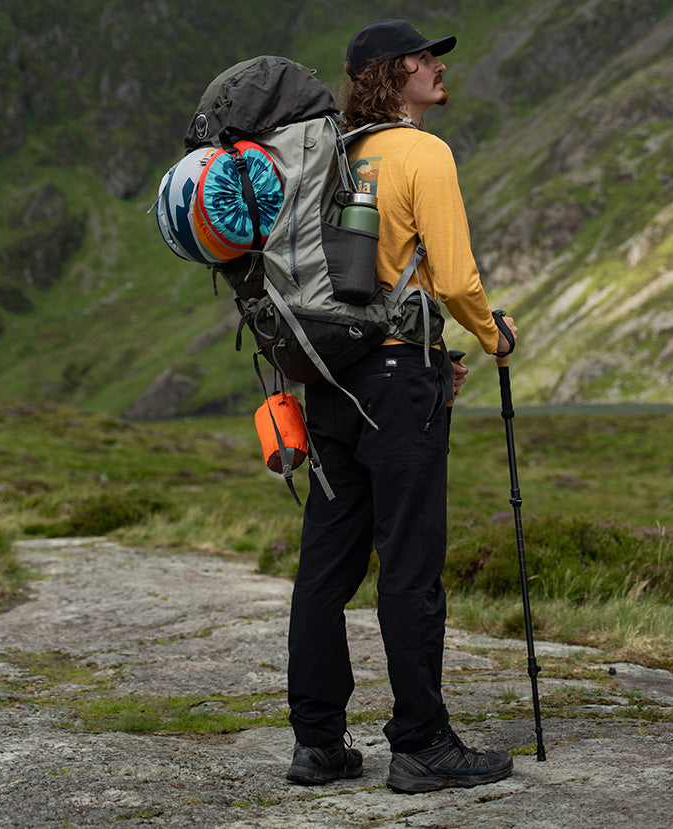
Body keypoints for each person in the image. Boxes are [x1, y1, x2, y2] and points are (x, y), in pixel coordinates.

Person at [284, 18, 520, 794]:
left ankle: (318, 743)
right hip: (398, 382)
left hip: (331, 380)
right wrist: (492, 333)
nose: (435, 66)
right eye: (422, 57)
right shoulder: (424, 153)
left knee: (325, 567)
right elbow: (452, 277)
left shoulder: (334, 156)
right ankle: (421, 743)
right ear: (393, 74)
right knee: (410, 564)